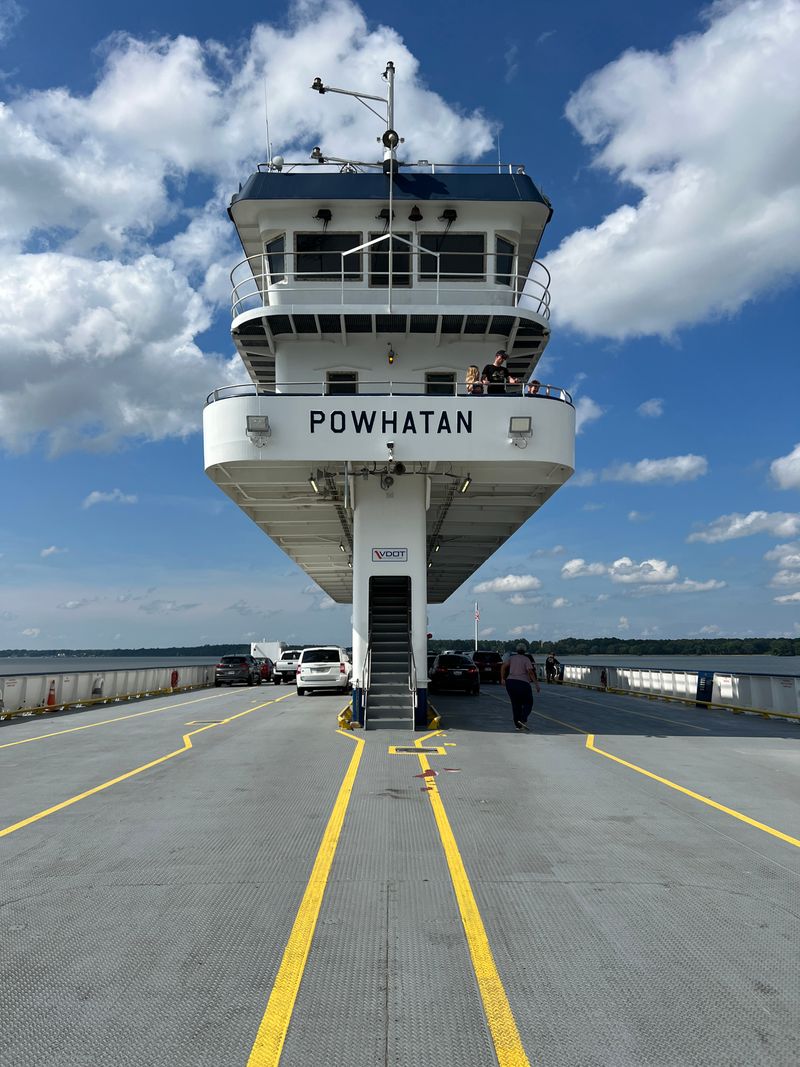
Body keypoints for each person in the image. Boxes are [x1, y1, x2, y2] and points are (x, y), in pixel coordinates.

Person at [500, 643, 540, 731]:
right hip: (523, 683)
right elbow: (530, 671)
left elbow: (503, 666)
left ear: (517, 650)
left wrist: (502, 679)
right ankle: (523, 718)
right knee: (528, 702)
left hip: (511, 682)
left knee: (515, 704)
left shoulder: (512, 658)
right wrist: (536, 683)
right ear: (525, 650)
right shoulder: (526, 659)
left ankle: (518, 725)